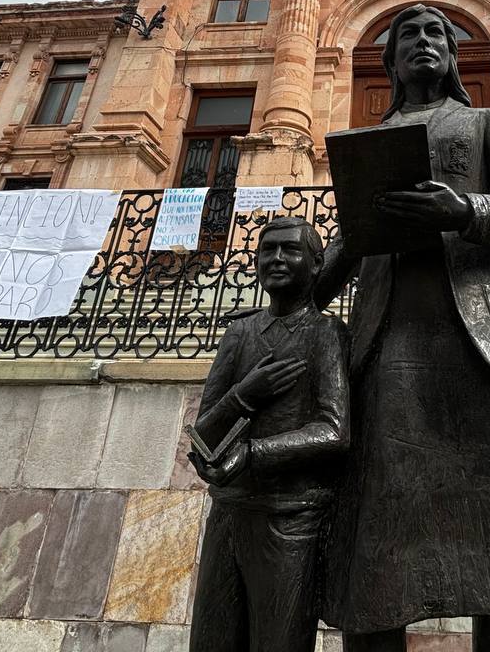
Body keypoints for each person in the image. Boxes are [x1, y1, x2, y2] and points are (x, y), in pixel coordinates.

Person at [316, 4, 490, 652]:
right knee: (378, 554)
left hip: (481, 351)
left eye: (435, 34)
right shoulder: (369, 142)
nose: (423, 42)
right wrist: (303, 283)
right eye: (408, 36)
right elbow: (348, 245)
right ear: (389, 62)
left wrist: (466, 209)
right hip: (390, 350)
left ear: (451, 55)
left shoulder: (485, 123)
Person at [188, 216, 349, 652]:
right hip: (229, 514)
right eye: (267, 250)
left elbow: (334, 431)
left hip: (289, 519)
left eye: (290, 250)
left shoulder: (325, 333)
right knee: (211, 640)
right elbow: (204, 433)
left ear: (317, 265)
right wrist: (243, 396)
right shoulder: (239, 332)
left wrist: (254, 453)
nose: (276, 259)